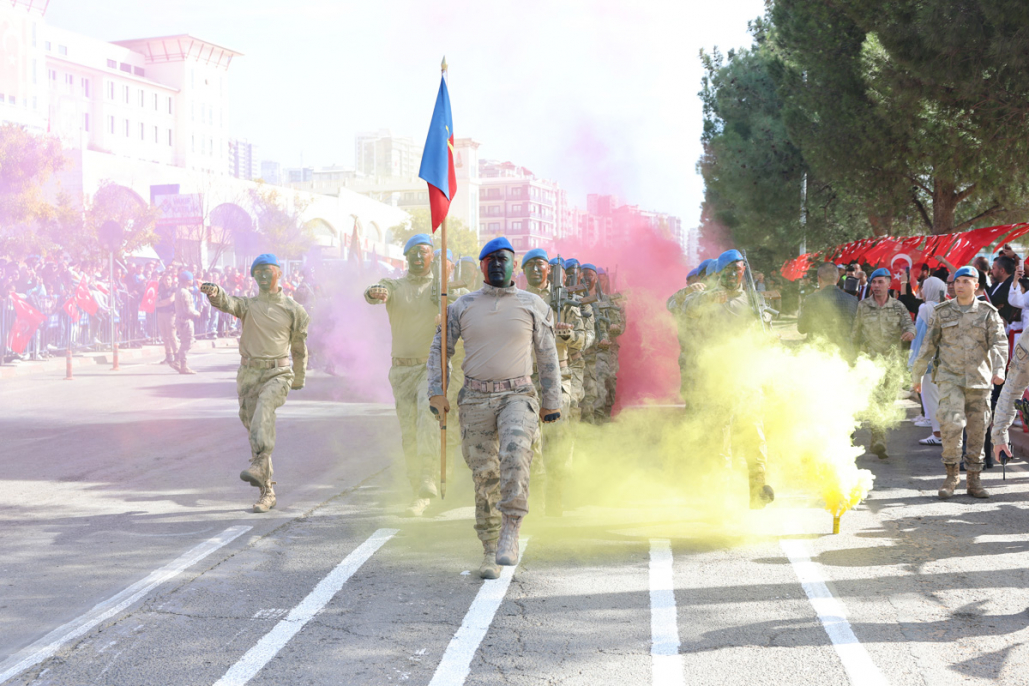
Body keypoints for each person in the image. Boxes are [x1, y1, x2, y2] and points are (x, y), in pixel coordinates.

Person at [428, 237, 561, 579]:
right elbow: (440, 350)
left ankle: (511, 527)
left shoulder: (533, 304)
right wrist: (436, 392)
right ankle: (489, 549)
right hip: (474, 398)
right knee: (484, 474)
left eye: (504, 259)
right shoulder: (462, 306)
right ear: (482, 267)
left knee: (515, 454)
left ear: (514, 265)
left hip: (518, 394)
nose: (498, 265)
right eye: (491, 260)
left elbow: (547, 354)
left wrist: (552, 401)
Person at [200, 254, 310, 513]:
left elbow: (298, 346)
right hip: (248, 375)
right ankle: (267, 492)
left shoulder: (294, 310)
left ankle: (261, 467)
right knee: (255, 429)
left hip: (278, 373)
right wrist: (215, 292)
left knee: (263, 411)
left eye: (267, 270)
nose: (262, 276)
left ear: (279, 273)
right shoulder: (248, 305)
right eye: (257, 272)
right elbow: (228, 302)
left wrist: (299, 377)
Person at [683, 249, 775, 509]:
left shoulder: (752, 300)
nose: (733, 274)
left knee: (754, 435)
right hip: (718, 379)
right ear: (719, 273)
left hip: (747, 377)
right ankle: (720, 498)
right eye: (728, 270)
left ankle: (758, 490)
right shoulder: (707, 296)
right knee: (720, 440)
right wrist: (708, 298)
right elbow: (686, 307)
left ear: (744, 271)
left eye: (738, 269)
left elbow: (763, 332)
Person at [912, 266, 1006, 499]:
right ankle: (951, 476)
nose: (959, 285)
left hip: (979, 381)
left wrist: (999, 369)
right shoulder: (942, 312)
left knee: (977, 430)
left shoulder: (988, 312)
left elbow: (999, 343)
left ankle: (974, 479)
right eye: (956, 281)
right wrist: (917, 374)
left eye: (966, 281)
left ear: (976, 285)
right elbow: (928, 345)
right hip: (950, 379)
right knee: (951, 426)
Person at [365, 234, 441, 516]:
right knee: (409, 433)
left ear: (432, 256)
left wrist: (446, 314)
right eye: (413, 253)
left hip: (430, 368)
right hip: (401, 371)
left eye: (424, 252)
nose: (418, 257)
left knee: (427, 418)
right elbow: (374, 291)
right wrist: (375, 292)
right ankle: (417, 492)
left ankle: (428, 476)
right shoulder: (394, 286)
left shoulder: (442, 290)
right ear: (406, 257)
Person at [522, 248, 588, 515]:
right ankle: (536, 497)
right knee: (529, 440)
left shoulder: (565, 302)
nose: (535, 269)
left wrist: (568, 336)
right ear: (523, 271)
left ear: (549, 269)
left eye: (540, 264)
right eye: (530, 265)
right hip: (525, 377)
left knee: (557, 440)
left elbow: (583, 339)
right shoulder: (517, 299)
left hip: (559, 377)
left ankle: (555, 498)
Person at [852, 267, 916, 459]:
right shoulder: (863, 306)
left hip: (891, 362)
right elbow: (855, 332)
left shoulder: (898, 306)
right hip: (870, 361)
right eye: (874, 282)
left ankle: (877, 437)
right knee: (874, 398)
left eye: (880, 282)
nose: (876, 286)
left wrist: (910, 332)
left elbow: (909, 325)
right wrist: (853, 356)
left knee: (886, 400)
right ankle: (879, 437)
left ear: (888, 283)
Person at [797, 261, 858, 358]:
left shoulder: (811, 299)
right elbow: (856, 331)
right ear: (838, 279)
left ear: (819, 279)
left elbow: (802, 328)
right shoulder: (853, 300)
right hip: (845, 355)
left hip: (819, 354)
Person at [173, 271, 200, 374]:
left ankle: (178, 362)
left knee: (184, 342)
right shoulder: (185, 293)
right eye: (191, 279)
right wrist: (196, 313)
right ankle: (182, 364)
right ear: (188, 281)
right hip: (186, 321)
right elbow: (188, 309)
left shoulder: (179, 290)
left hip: (180, 320)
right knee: (187, 343)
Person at [155, 271, 179, 365]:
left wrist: (159, 303)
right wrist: (159, 303)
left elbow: (170, 300)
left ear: (171, 280)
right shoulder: (161, 289)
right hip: (161, 314)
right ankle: (169, 355)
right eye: (165, 279)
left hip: (170, 314)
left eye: (168, 279)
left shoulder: (174, 289)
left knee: (172, 336)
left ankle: (177, 356)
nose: (167, 281)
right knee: (165, 336)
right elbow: (156, 301)